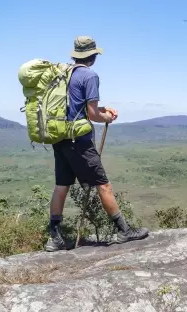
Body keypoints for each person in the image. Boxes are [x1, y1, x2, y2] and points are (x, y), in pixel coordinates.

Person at [46, 36, 149, 252]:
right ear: (93, 55)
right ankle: (123, 231)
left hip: (60, 137)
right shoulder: (90, 76)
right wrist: (107, 117)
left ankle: (54, 237)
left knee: (61, 185)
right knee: (103, 184)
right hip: (79, 142)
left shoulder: (64, 74)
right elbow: (92, 115)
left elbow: (78, 109)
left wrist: (103, 110)